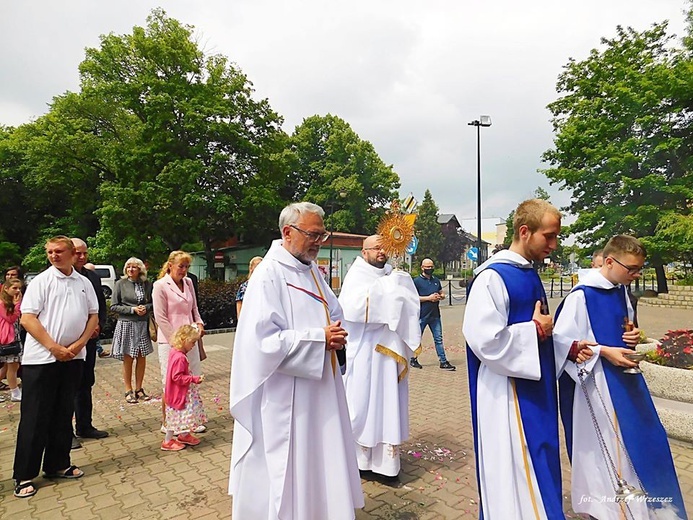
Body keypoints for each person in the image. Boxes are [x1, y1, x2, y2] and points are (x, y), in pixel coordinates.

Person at [229, 202, 364, 519]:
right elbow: (261, 343)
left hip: (320, 387)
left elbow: (334, 312)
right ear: (287, 232)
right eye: (313, 234)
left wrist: (334, 331)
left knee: (320, 457)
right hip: (285, 396)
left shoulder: (311, 270)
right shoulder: (268, 276)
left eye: (322, 234)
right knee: (288, 464)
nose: (319, 241)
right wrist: (319, 338)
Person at [554, 235, 687, 520]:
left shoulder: (620, 290)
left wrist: (633, 335)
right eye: (632, 269)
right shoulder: (581, 296)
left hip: (625, 378)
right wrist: (604, 351)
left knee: (640, 441)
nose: (636, 274)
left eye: (639, 268)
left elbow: (626, 326)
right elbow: (562, 343)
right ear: (610, 261)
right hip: (598, 383)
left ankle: (639, 508)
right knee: (609, 447)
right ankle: (609, 509)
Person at [463, 198, 563, 519]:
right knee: (515, 467)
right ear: (524, 231)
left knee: (538, 461)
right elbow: (483, 338)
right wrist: (533, 330)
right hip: (506, 393)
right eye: (548, 236)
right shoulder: (492, 277)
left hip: (532, 387)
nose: (554, 244)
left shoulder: (527, 272)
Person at [13, 236, 99, 498]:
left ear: (73, 254)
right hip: (42, 359)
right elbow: (28, 319)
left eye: (59, 251)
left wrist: (79, 344)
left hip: (74, 357)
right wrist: (53, 347)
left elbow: (93, 315)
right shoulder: (41, 281)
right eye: (49, 252)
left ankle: (58, 464)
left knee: (63, 413)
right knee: (36, 416)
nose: (53, 255)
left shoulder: (84, 282)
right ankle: (24, 474)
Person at [339, 235, 420, 483]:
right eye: (376, 248)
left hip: (389, 353)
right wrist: (389, 290)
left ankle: (386, 463)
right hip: (365, 352)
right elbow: (351, 308)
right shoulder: (357, 275)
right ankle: (360, 460)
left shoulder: (391, 274)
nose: (382, 251)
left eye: (385, 248)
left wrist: (399, 286)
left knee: (388, 403)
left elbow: (409, 304)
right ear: (364, 252)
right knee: (363, 404)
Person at [153, 251, 205, 433]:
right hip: (171, 342)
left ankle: (189, 421)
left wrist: (199, 323)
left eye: (187, 267)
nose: (184, 271)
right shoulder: (160, 286)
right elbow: (160, 317)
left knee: (190, 380)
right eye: (180, 266)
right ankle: (168, 422)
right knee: (171, 382)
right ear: (170, 265)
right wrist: (175, 342)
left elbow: (194, 308)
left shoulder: (189, 282)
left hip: (190, 339)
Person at [71, 238, 109, 448]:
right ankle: (65, 433)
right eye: (78, 253)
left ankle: (85, 425)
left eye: (85, 253)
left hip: (90, 340)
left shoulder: (92, 277)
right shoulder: (59, 277)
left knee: (86, 382)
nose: (82, 257)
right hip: (69, 343)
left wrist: (98, 325)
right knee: (68, 386)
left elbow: (101, 305)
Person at [110, 258, 154, 404]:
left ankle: (139, 389)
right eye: (128, 267)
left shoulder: (147, 284)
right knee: (128, 358)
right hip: (127, 324)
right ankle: (128, 390)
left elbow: (153, 302)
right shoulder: (120, 284)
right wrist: (132, 309)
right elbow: (114, 306)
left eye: (134, 267)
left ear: (140, 269)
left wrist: (145, 308)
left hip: (142, 324)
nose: (130, 270)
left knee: (142, 357)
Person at [161, 324, 207, 451]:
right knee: (175, 417)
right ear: (183, 340)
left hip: (179, 392)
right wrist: (194, 379)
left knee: (184, 414)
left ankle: (184, 434)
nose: (193, 346)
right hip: (179, 393)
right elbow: (177, 377)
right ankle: (167, 441)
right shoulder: (180, 357)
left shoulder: (174, 352)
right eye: (192, 342)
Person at [409, 258, 455, 371]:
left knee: (438, 338)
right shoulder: (416, 281)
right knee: (417, 338)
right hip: (422, 314)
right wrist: (428, 298)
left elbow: (440, 291)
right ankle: (413, 358)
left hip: (435, 314)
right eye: (427, 267)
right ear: (422, 267)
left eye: (431, 267)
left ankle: (443, 361)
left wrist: (442, 295)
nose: (429, 269)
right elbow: (412, 298)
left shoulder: (436, 280)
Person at [0, 278, 23, 402]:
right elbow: (11, 318)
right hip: (8, 339)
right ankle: (14, 392)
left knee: (8, 367)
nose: (17, 291)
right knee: (12, 366)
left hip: (14, 336)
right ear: (6, 288)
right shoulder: (2, 304)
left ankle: (14, 391)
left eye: (19, 288)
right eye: (14, 288)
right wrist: (17, 304)